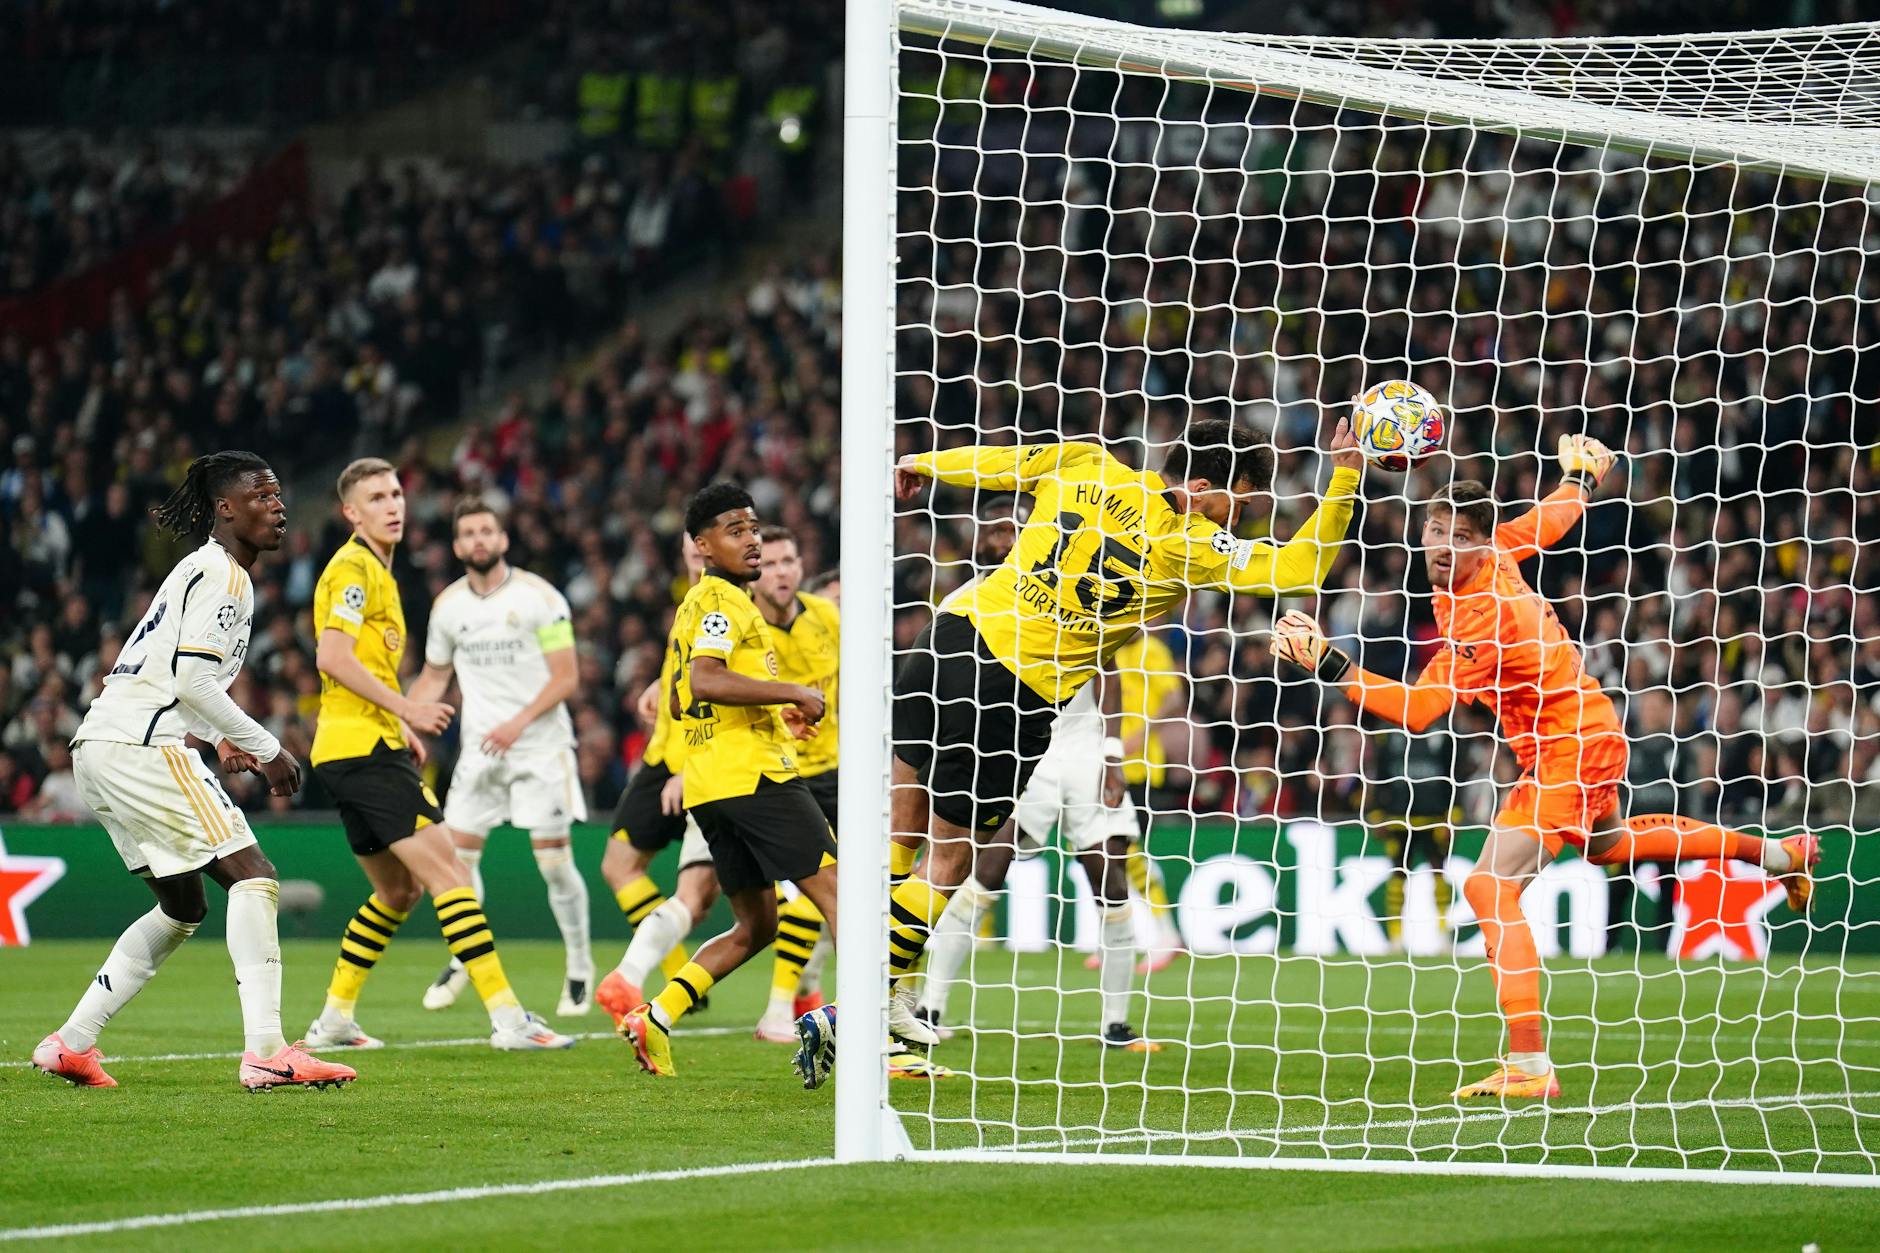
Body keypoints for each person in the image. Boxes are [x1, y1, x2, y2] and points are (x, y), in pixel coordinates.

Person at [795, 416, 1365, 1088]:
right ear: (1207, 486)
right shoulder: (1189, 542)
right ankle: (859, 1007)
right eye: (1235, 507)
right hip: (1014, 688)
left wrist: (924, 461)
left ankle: (886, 1007)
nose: (1233, 522)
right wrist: (1348, 472)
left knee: (903, 835)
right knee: (951, 859)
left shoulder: (1088, 462)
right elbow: (1301, 566)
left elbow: (1001, 462)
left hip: (950, 633)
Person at [1271, 434, 1820, 1099]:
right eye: (1434, 530)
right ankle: (1781, 855)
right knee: (1609, 843)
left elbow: (1421, 710)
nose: (1441, 545)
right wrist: (1581, 476)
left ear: (1479, 541)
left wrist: (1329, 663)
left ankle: (1531, 1065)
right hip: (1581, 730)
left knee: (1487, 888)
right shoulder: (1494, 554)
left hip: (1569, 747)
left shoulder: (1484, 614)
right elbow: (1552, 518)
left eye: (1457, 535)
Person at [33, 451, 353, 1090]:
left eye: (279, 493)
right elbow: (192, 678)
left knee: (182, 905)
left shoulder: (201, 569)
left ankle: (71, 1043)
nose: (278, 505)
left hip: (102, 743)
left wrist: (214, 735)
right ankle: (266, 1050)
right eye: (261, 495)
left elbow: (171, 675)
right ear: (225, 508)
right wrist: (266, 746)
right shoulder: (225, 576)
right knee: (253, 873)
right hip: (144, 745)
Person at [303, 457, 571, 1052]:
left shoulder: (377, 571)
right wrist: (405, 710)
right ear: (351, 512)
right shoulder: (354, 569)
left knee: (399, 893)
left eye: (396, 493)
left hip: (351, 748)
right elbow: (333, 657)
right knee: (451, 874)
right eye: (375, 498)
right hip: (364, 749)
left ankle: (334, 1020)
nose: (393, 505)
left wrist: (397, 720)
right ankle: (509, 1019)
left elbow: (357, 665)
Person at [619, 483, 838, 1078]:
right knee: (843, 900)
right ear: (703, 546)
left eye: (754, 527)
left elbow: (711, 691)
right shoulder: (720, 602)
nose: (752, 540)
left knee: (758, 924)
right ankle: (854, 1026)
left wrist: (776, 712)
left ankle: (655, 1015)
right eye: (734, 530)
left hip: (715, 786)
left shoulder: (708, 604)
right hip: (756, 779)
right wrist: (793, 689)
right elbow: (707, 681)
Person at [408, 498, 592, 1018]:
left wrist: (517, 722)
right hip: (480, 753)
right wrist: (405, 716)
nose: (478, 540)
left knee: (554, 864)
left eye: (487, 530)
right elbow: (435, 676)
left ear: (503, 539)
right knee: (457, 863)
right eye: (468, 533)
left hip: (540, 747)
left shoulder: (542, 597)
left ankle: (579, 966)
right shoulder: (447, 607)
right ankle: (464, 958)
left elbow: (567, 676)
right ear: (458, 545)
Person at [594, 534, 716, 1027]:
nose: (694, 549)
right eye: (689, 541)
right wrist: (658, 684)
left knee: (716, 899)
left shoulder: (725, 603)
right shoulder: (688, 599)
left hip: (702, 760)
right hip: (663, 753)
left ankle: (793, 998)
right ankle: (670, 969)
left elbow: (718, 683)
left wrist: (690, 769)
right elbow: (690, 672)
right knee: (620, 864)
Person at [749, 524, 840, 1043]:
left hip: (838, 773)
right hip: (779, 777)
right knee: (813, 894)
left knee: (860, 892)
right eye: (771, 564)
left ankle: (799, 998)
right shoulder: (744, 625)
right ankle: (781, 1007)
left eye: (789, 561)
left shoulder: (827, 617)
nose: (782, 572)